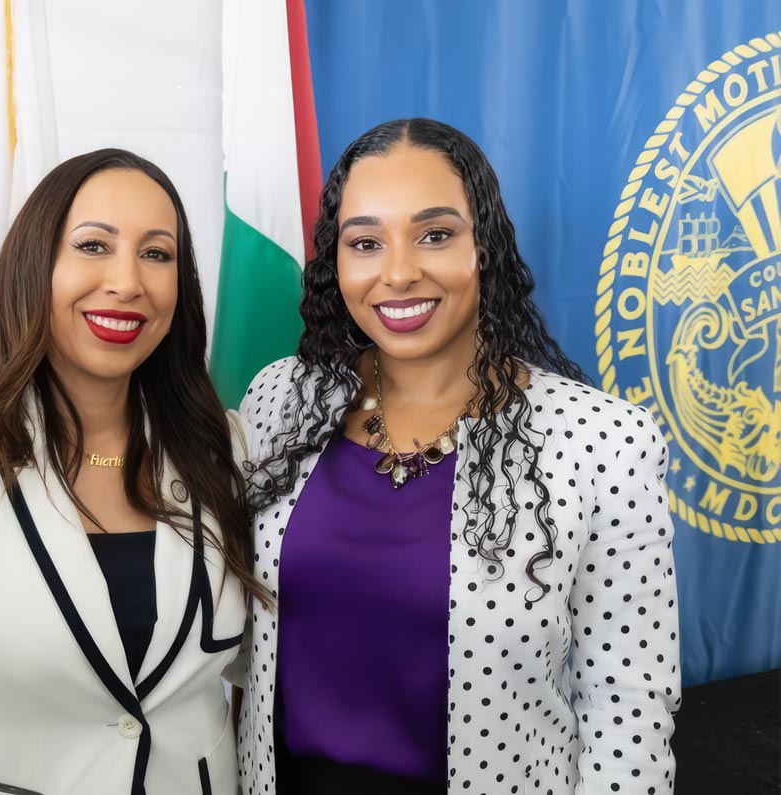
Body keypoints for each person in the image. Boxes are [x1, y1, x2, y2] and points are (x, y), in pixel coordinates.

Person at [235, 119, 681, 795]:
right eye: (365, 242)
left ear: (486, 248)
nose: (398, 271)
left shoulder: (604, 441)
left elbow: (629, 709)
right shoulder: (279, 399)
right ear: (337, 260)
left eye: (435, 234)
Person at [0, 149, 262, 795]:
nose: (128, 281)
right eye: (94, 245)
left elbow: (260, 667)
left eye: (157, 254)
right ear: (35, 264)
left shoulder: (225, 447)